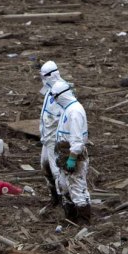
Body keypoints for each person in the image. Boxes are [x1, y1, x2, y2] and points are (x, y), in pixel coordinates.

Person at [51, 80, 91, 223]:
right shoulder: (67, 109)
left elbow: (77, 139)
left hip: (73, 156)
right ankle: (71, 218)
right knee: (63, 186)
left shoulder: (74, 112)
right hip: (64, 154)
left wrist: (72, 157)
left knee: (77, 189)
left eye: (55, 97)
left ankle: (83, 221)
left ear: (61, 95)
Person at [39, 61, 65, 206]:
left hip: (55, 138)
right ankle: (54, 197)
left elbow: (62, 117)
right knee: (45, 165)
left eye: (45, 76)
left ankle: (64, 201)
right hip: (46, 137)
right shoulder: (49, 90)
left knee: (56, 171)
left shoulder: (61, 91)